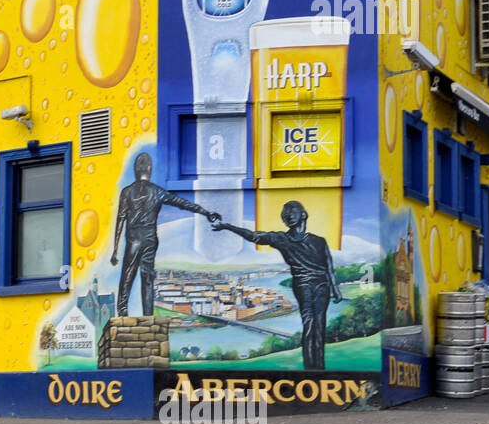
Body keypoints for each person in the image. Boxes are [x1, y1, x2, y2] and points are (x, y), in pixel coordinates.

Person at [212, 201, 342, 370]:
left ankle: (320, 368)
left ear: (303, 215)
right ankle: (311, 370)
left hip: (321, 285)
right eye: (284, 213)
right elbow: (254, 235)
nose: (287, 215)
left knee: (319, 325)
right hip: (303, 285)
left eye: (291, 211)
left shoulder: (319, 241)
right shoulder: (281, 238)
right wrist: (227, 226)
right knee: (310, 325)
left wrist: (336, 289)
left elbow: (329, 267)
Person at [110, 152, 220, 317]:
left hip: (133, 238)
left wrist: (115, 250)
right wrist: (205, 212)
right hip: (150, 239)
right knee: (147, 276)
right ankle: (148, 315)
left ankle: (122, 310)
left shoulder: (127, 192)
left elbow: (120, 219)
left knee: (127, 274)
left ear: (136, 170)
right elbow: (183, 203)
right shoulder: (157, 191)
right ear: (150, 169)